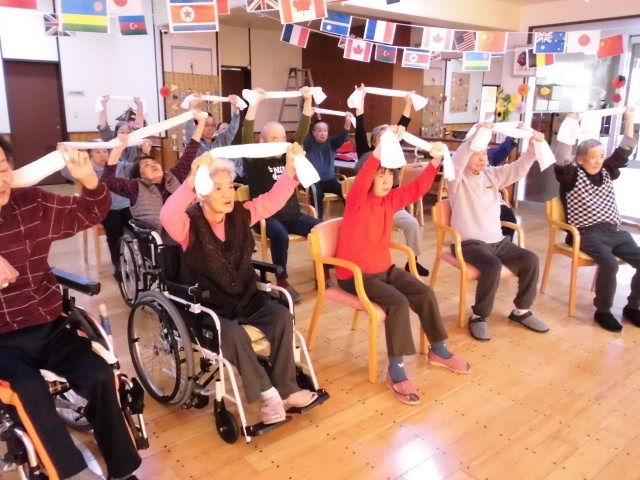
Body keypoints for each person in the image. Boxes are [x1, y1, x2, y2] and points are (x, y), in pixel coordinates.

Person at [0, 139, 141, 480]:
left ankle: (123, 469)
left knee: (99, 374)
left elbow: (89, 213)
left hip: (47, 323)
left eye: (2, 169)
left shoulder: (30, 203)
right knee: (27, 388)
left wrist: (89, 180)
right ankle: (73, 473)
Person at [159, 143, 318, 425]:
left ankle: (287, 388)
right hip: (209, 306)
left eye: (230, 186)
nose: (228, 193)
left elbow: (272, 200)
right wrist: (190, 180)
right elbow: (167, 215)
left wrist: (290, 172)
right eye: (218, 188)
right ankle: (269, 396)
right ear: (202, 192)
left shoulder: (242, 214)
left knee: (282, 315)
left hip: (246, 297)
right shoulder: (188, 225)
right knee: (233, 334)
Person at [335, 125, 470, 405]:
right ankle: (396, 370)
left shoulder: (390, 200)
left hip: (384, 270)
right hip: (355, 276)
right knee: (397, 302)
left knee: (424, 292)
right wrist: (381, 148)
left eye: (390, 174)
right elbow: (363, 176)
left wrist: (435, 162)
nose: (387, 180)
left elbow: (418, 188)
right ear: (369, 177)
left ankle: (438, 349)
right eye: (381, 175)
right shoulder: (357, 200)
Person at [447, 122, 549, 341]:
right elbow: (458, 160)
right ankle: (479, 316)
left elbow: (518, 169)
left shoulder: (491, 175)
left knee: (530, 259)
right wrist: (477, 135)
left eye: (484, 153)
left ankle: (521, 311)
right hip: (469, 244)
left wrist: (533, 148)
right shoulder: (456, 178)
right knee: (492, 266)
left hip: (498, 242)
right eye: (476, 154)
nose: (482, 158)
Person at [553, 108, 640, 332]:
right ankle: (603, 311)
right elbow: (562, 157)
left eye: (601, 156)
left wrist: (629, 119)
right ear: (580, 159)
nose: (598, 161)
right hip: (586, 234)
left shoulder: (607, 171)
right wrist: (570, 124)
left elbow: (626, 147)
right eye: (592, 157)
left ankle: (633, 307)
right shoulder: (571, 176)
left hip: (614, 232)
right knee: (610, 264)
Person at [241, 86, 321, 303]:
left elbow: (302, 133)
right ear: (262, 141)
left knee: (321, 229)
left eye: (283, 137)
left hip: (292, 215)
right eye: (275, 138)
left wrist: (307, 101)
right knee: (279, 235)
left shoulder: (287, 156)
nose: (281, 141)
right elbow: (246, 135)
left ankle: (324, 272)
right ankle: (282, 280)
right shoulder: (254, 159)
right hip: (267, 218)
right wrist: (254, 104)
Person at [353, 84, 429, 277]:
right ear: (373, 141)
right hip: (368, 207)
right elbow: (360, 128)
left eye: (389, 136)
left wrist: (408, 103)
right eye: (381, 137)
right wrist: (360, 99)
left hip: (390, 204)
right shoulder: (366, 152)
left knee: (412, 223)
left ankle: (413, 262)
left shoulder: (393, 153)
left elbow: (403, 125)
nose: (387, 139)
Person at [102, 112, 205, 233]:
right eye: (146, 165)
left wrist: (201, 123)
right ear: (140, 175)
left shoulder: (173, 176)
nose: (153, 164)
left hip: (184, 230)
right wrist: (118, 149)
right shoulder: (135, 187)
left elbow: (190, 151)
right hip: (158, 235)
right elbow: (107, 180)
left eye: (154, 162)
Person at [61, 142, 132, 278]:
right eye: (98, 152)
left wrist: (145, 152)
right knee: (114, 232)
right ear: (91, 156)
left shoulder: (118, 165)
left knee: (140, 227)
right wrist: (66, 154)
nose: (102, 155)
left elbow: (134, 168)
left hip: (126, 205)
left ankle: (146, 262)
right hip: (106, 209)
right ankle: (119, 266)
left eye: (105, 151)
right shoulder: (88, 171)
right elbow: (65, 172)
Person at [183, 93, 245, 182]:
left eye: (212, 125)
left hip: (227, 180)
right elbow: (189, 129)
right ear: (198, 126)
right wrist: (191, 108)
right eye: (206, 125)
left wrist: (236, 108)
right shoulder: (195, 144)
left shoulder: (220, 140)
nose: (210, 128)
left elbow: (233, 127)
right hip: (207, 183)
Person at [303, 113, 353, 219]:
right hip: (315, 182)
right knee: (316, 193)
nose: (323, 133)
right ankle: (317, 221)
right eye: (319, 131)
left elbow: (342, 136)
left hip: (331, 181)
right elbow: (303, 132)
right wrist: (308, 116)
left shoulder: (331, 143)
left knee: (348, 192)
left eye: (325, 130)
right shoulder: (309, 144)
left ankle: (351, 218)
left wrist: (348, 121)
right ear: (313, 132)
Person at [97, 95, 149, 169]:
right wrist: (103, 103)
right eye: (122, 132)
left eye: (128, 132)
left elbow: (139, 125)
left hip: (132, 171)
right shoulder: (111, 140)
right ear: (116, 133)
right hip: (115, 171)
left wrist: (139, 105)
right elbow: (103, 124)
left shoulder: (133, 139)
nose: (125, 135)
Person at [487, 135, 519, 240]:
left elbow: (501, 151)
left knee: (509, 217)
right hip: (474, 202)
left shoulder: (488, 155)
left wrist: (513, 136)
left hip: (493, 200)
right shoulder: (462, 159)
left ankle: (506, 244)